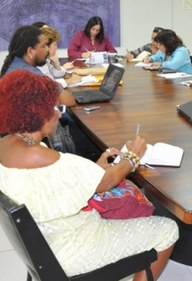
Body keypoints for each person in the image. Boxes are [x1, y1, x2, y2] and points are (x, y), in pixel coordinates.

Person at [0, 70, 179, 281]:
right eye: (55, 108)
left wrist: (96, 166)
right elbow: (108, 182)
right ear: (38, 114)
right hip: (71, 247)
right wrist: (132, 157)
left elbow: (56, 182)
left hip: (41, 240)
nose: (59, 114)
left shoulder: (8, 144)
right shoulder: (46, 156)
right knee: (168, 229)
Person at [0, 25, 75, 107]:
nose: (47, 49)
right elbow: (69, 101)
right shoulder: (31, 75)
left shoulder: (14, 64)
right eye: (43, 46)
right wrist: (56, 85)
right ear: (30, 51)